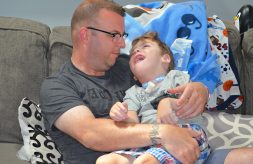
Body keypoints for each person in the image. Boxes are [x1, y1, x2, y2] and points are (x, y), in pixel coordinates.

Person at [39, 0, 253, 164]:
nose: (123, 43)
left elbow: (172, 78)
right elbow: (90, 133)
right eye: (114, 35)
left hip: (176, 150)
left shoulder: (128, 65)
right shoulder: (58, 86)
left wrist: (199, 89)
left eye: (122, 35)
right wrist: (161, 133)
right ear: (86, 35)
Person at [96, 32, 211, 164]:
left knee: (147, 161)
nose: (137, 50)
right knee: (106, 160)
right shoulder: (133, 93)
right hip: (148, 142)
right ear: (134, 75)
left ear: (165, 59)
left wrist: (168, 102)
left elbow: (193, 101)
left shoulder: (176, 77)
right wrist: (119, 114)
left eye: (145, 46)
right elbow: (132, 124)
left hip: (187, 135)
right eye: (133, 52)